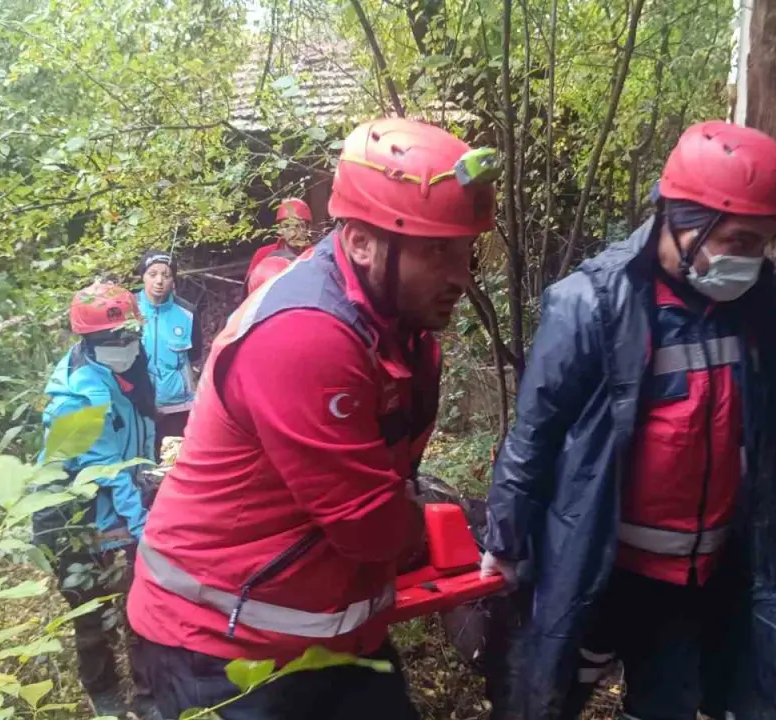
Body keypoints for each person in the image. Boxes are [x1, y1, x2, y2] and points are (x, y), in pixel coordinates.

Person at [480, 121, 776, 720]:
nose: (751, 259)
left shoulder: (762, 299)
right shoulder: (593, 304)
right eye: (738, 240)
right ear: (682, 219)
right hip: (599, 563)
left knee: (669, 702)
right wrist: (505, 541)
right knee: (550, 694)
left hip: (696, 573)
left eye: (762, 242)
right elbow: (536, 433)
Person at [126, 117, 498, 719]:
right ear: (361, 242)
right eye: (437, 251)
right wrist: (447, 526)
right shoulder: (306, 337)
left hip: (333, 637)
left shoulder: (403, 331)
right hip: (219, 649)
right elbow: (370, 526)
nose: (461, 274)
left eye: (464, 250)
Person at [32, 283, 156, 717]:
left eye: (129, 334)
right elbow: (108, 469)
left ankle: (149, 695)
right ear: (89, 342)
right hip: (69, 515)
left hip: (116, 499)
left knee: (139, 603)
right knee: (89, 609)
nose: (125, 344)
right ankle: (102, 693)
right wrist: (141, 530)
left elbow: (139, 444)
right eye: (113, 339)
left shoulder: (129, 373)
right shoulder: (80, 397)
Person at [136, 249, 202, 457]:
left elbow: (195, 354)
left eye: (166, 275)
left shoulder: (187, 312)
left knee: (173, 460)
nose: (159, 281)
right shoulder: (129, 309)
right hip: (138, 405)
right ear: (142, 277)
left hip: (177, 407)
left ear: (173, 280)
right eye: (152, 274)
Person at [245, 198, 313, 295]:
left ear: (308, 228)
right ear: (280, 230)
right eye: (286, 226)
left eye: (298, 226)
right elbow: (249, 292)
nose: (293, 233)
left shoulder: (316, 257)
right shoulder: (263, 254)